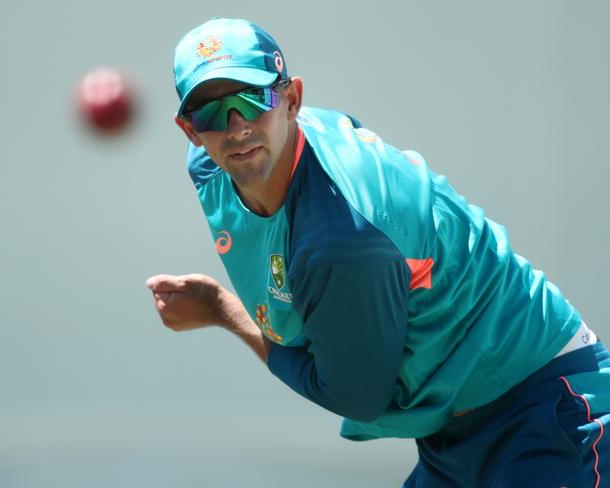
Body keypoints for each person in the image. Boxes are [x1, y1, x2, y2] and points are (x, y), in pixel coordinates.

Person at [147, 17, 609, 487]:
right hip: (454, 433)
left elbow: (355, 395)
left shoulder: (341, 240)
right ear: (189, 130)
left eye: (252, 97)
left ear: (291, 100)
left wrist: (223, 311)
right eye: (210, 111)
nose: (236, 126)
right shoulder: (211, 166)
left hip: (549, 409)